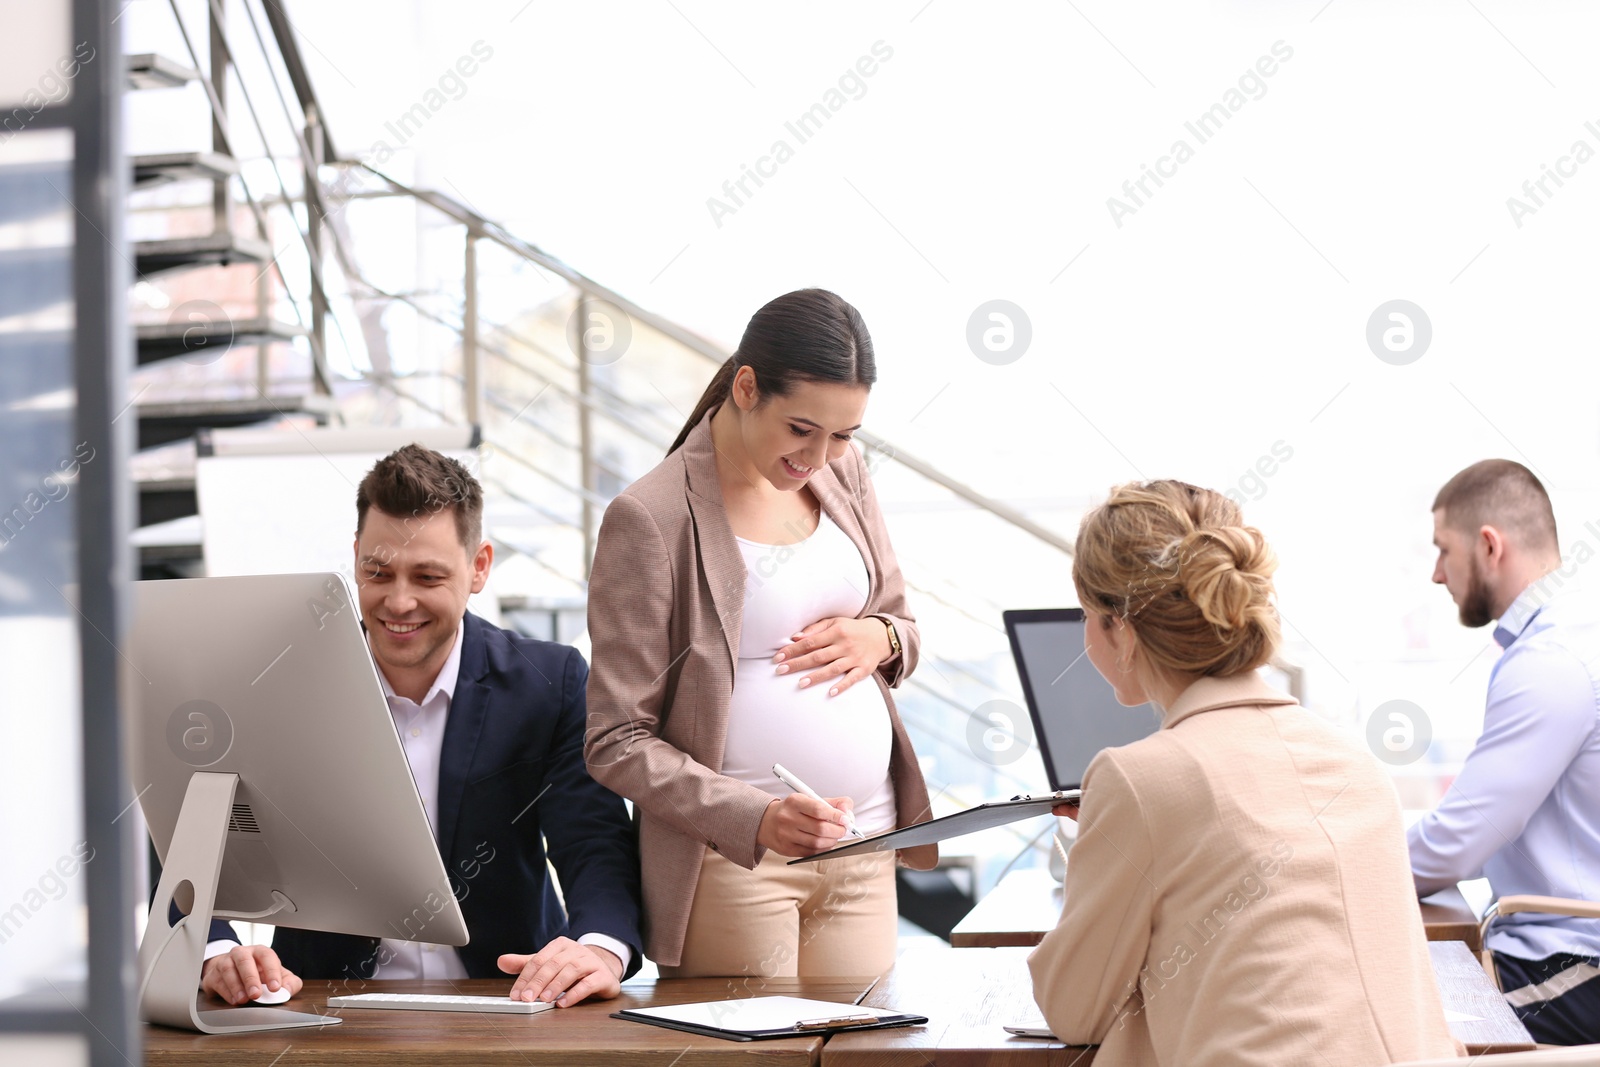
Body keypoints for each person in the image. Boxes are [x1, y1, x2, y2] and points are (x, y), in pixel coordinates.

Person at [1028, 480, 1461, 1066]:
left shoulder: (1139, 778)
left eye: (1086, 615)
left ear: (1119, 628)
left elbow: (1072, 1009)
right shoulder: (1356, 763)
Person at [197, 445, 642, 1007]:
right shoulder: (280, 683)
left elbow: (592, 842)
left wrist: (599, 948)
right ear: (355, 557)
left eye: (428, 576)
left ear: (479, 567)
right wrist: (215, 949)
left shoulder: (548, 682)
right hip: (323, 1007)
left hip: (507, 999)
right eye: (377, 572)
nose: (398, 602)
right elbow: (190, 826)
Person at [583, 288, 936, 978]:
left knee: (868, 1056)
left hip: (864, 839)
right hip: (734, 865)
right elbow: (615, 741)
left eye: (844, 434)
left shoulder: (843, 472)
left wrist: (882, 638)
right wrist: (755, 817)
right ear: (747, 387)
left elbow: (904, 623)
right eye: (802, 428)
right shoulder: (651, 517)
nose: (822, 454)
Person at [1410, 458, 1600, 1045]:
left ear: (1489, 545)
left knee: (1403, 1022)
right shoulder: (1566, 640)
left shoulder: (1551, 661)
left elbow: (1459, 842)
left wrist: (1343, 866)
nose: (1437, 574)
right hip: (1560, 951)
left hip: (1572, 965)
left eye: (1443, 549)